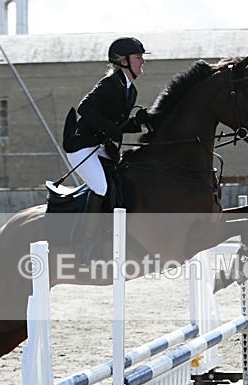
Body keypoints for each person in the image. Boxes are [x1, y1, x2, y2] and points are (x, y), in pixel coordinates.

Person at [62, 36, 153, 263]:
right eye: (138, 58)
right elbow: (85, 107)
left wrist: (138, 122)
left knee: (120, 180)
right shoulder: (110, 83)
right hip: (81, 146)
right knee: (101, 187)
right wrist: (111, 128)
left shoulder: (131, 91)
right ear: (123, 61)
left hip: (100, 146)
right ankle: (86, 247)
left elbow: (119, 127)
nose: (143, 62)